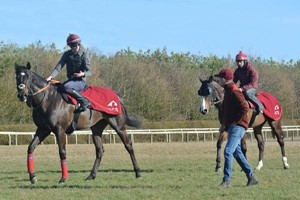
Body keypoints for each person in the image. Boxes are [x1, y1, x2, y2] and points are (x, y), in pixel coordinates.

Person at [214, 68, 259, 188]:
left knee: (228, 151)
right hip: (232, 126)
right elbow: (228, 112)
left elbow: (244, 107)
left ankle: (226, 180)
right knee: (237, 153)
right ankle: (251, 177)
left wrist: (237, 122)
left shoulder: (234, 90)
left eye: (219, 78)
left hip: (238, 127)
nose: (218, 80)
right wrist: (224, 125)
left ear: (224, 79)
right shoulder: (228, 91)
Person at [47, 33, 91, 112]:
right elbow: (58, 67)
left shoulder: (84, 54)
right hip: (71, 80)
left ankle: (84, 101)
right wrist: (51, 76)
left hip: (80, 82)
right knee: (57, 88)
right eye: (73, 46)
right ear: (70, 46)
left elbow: (89, 71)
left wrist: (82, 74)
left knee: (66, 87)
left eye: (77, 45)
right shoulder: (67, 54)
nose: (76, 47)